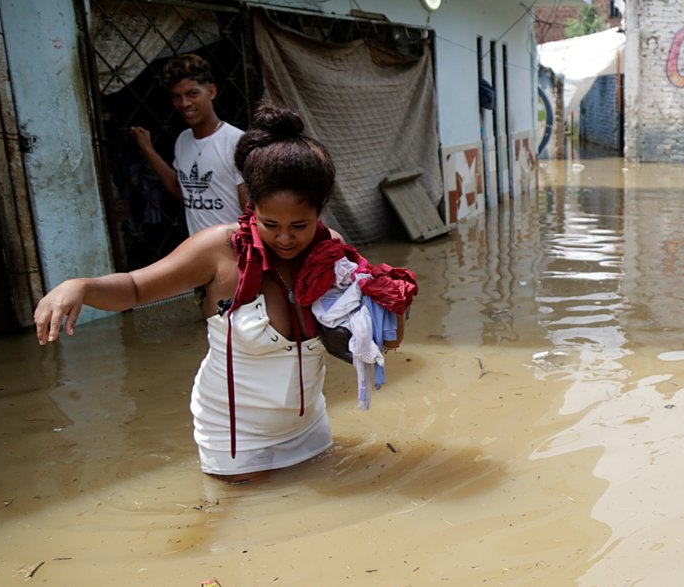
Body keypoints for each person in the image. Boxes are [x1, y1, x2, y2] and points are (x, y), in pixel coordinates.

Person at [35, 102, 411, 483]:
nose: (284, 238)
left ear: (320, 211)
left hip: (310, 426)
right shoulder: (219, 251)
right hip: (236, 439)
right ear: (251, 205)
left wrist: (388, 316)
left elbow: (370, 335)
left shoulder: (330, 252)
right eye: (270, 224)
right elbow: (134, 289)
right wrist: (80, 286)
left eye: (299, 225)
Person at [130, 53, 247, 236]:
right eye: (177, 97)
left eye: (193, 94)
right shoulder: (183, 140)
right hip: (199, 250)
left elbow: (251, 214)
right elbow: (183, 190)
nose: (184, 103)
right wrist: (148, 150)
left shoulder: (237, 143)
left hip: (233, 249)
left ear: (212, 92)